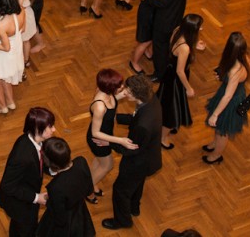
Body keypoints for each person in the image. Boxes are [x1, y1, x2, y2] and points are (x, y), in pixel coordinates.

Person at [101, 74, 162, 230]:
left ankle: (123, 221)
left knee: (120, 190)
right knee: (137, 183)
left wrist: (109, 142)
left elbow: (131, 148)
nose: (125, 92)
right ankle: (134, 207)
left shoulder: (143, 126)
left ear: (137, 94)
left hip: (138, 162)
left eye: (128, 91)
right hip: (149, 157)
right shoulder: (151, 99)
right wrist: (118, 118)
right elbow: (136, 118)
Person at [0, 106, 56, 237]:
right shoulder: (22, 156)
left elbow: (40, 160)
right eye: (50, 126)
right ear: (38, 128)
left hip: (27, 193)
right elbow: (8, 186)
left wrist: (53, 170)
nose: (54, 129)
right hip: (18, 202)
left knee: (19, 227)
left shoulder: (37, 141)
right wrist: (36, 198)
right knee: (26, 229)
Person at [85, 68, 137, 204]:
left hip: (106, 135)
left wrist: (123, 94)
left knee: (99, 161)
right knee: (107, 165)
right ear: (110, 87)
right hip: (98, 139)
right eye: (119, 85)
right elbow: (95, 133)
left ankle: (89, 182)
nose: (122, 86)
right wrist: (120, 140)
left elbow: (112, 101)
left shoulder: (106, 92)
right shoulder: (99, 107)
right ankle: (87, 190)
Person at [203, 32, 250, 165]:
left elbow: (228, 96)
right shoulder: (246, 57)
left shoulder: (235, 70)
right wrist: (223, 77)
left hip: (230, 102)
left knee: (222, 131)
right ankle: (215, 144)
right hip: (237, 95)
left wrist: (215, 115)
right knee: (220, 128)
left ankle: (216, 155)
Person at [157, 14, 202, 149]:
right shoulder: (185, 48)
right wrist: (189, 88)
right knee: (171, 111)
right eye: (199, 27)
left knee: (165, 103)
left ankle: (163, 129)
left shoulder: (178, 30)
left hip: (169, 74)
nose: (201, 29)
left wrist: (194, 44)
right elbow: (180, 71)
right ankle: (162, 138)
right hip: (176, 81)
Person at [36, 137, 96, 237]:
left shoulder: (55, 187)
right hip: (80, 210)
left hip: (67, 222)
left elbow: (60, 218)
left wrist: (48, 200)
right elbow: (88, 185)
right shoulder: (81, 161)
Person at [130, 0, 165, 74]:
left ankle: (147, 51)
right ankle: (134, 62)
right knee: (145, 40)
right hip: (147, 14)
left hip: (156, 12)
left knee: (151, 37)